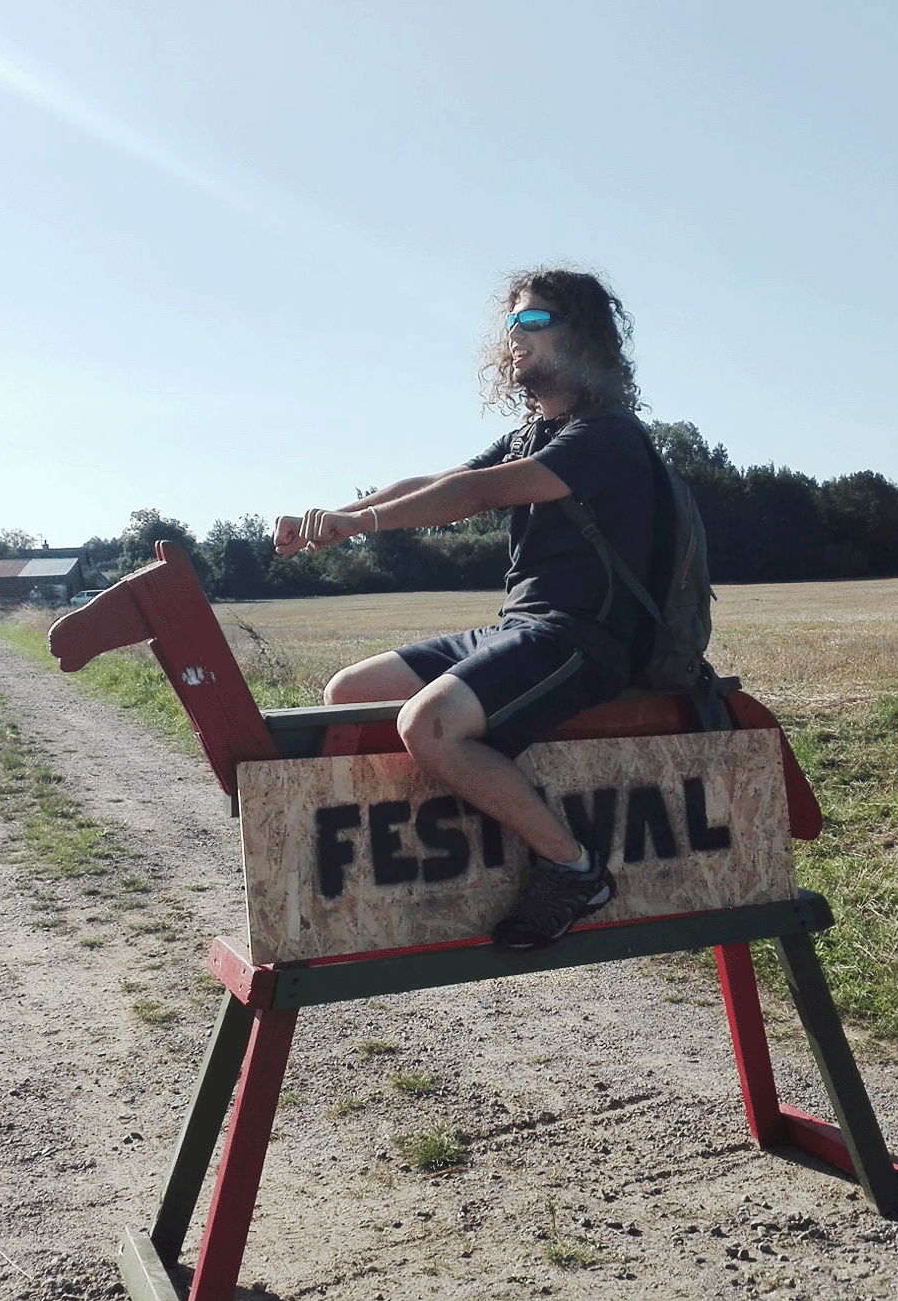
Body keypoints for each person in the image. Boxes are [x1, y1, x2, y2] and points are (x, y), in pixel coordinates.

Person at [273, 267, 660, 949]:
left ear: (584, 337)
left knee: (429, 726)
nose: (517, 335)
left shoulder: (607, 435)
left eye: (536, 321)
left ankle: (575, 870)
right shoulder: (529, 434)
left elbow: (480, 495)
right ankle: (407, 854)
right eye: (513, 322)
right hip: (520, 628)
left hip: (582, 640)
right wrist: (333, 516)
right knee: (351, 692)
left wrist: (361, 527)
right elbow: (443, 482)